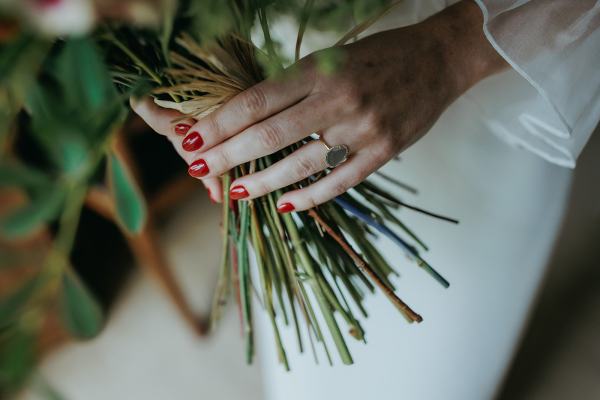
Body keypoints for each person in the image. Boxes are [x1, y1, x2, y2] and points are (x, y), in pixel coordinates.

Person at [133, 1, 599, 399]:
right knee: (307, 362)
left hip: (476, 76)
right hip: (271, 46)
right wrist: (156, 69)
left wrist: (450, 52)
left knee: (434, 361)